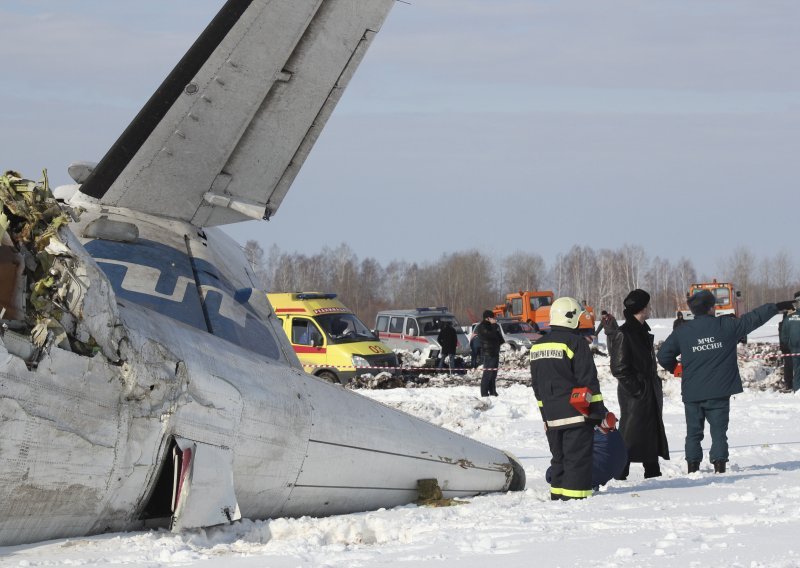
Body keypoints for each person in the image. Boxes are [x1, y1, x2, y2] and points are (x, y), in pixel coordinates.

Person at [657, 290, 793, 473]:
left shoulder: (682, 331)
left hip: (693, 392)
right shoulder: (726, 326)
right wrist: (776, 307)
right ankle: (719, 465)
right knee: (719, 432)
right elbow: (753, 319)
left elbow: (663, 355)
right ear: (711, 307)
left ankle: (692, 467)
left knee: (693, 432)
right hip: (719, 392)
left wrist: (675, 368)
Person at [529, 296, 612, 500]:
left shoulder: (537, 346)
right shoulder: (576, 343)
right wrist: (598, 413)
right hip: (576, 415)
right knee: (577, 460)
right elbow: (589, 382)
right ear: (571, 318)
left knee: (559, 459)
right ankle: (575, 500)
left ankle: (557, 496)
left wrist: (545, 417)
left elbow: (537, 388)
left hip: (551, 416)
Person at [606, 289, 669, 480]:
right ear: (642, 308)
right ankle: (619, 474)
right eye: (648, 305)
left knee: (649, 433)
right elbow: (619, 369)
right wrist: (639, 390)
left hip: (647, 391)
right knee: (630, 437)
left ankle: (653, 472)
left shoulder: (642, 331)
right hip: (635, 395)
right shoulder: (624, 333)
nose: (650, 308)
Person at [546, 426, 628, 491]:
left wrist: (550, 430)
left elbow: (564, 451)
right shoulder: (599, 409)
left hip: (602, 464)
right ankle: (592, 482)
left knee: (552, 473)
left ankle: (587, 483)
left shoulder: (570, 415)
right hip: (620, 462)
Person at [476, 310, 503, 396]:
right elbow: (490, 335)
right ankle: (484, 393)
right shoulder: (482, 326)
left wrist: (496, 328)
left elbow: (499, 338)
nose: (493, 319)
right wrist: (494, 325)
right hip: (488, 353)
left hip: (495, 352)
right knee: (487, 374)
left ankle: (492, 391)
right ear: (487, 318)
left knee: (493, 374)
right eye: (492, 317)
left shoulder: (492, 326)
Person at [778, 291, 800, 391]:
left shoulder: (789, 314)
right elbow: (783, 329)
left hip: (791, 345)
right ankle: (791, 385)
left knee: (795, 367)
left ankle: (794, 386)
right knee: (792, 367)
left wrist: (786, 343)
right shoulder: (790, 313)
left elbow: (783, 331)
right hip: (791, 345)